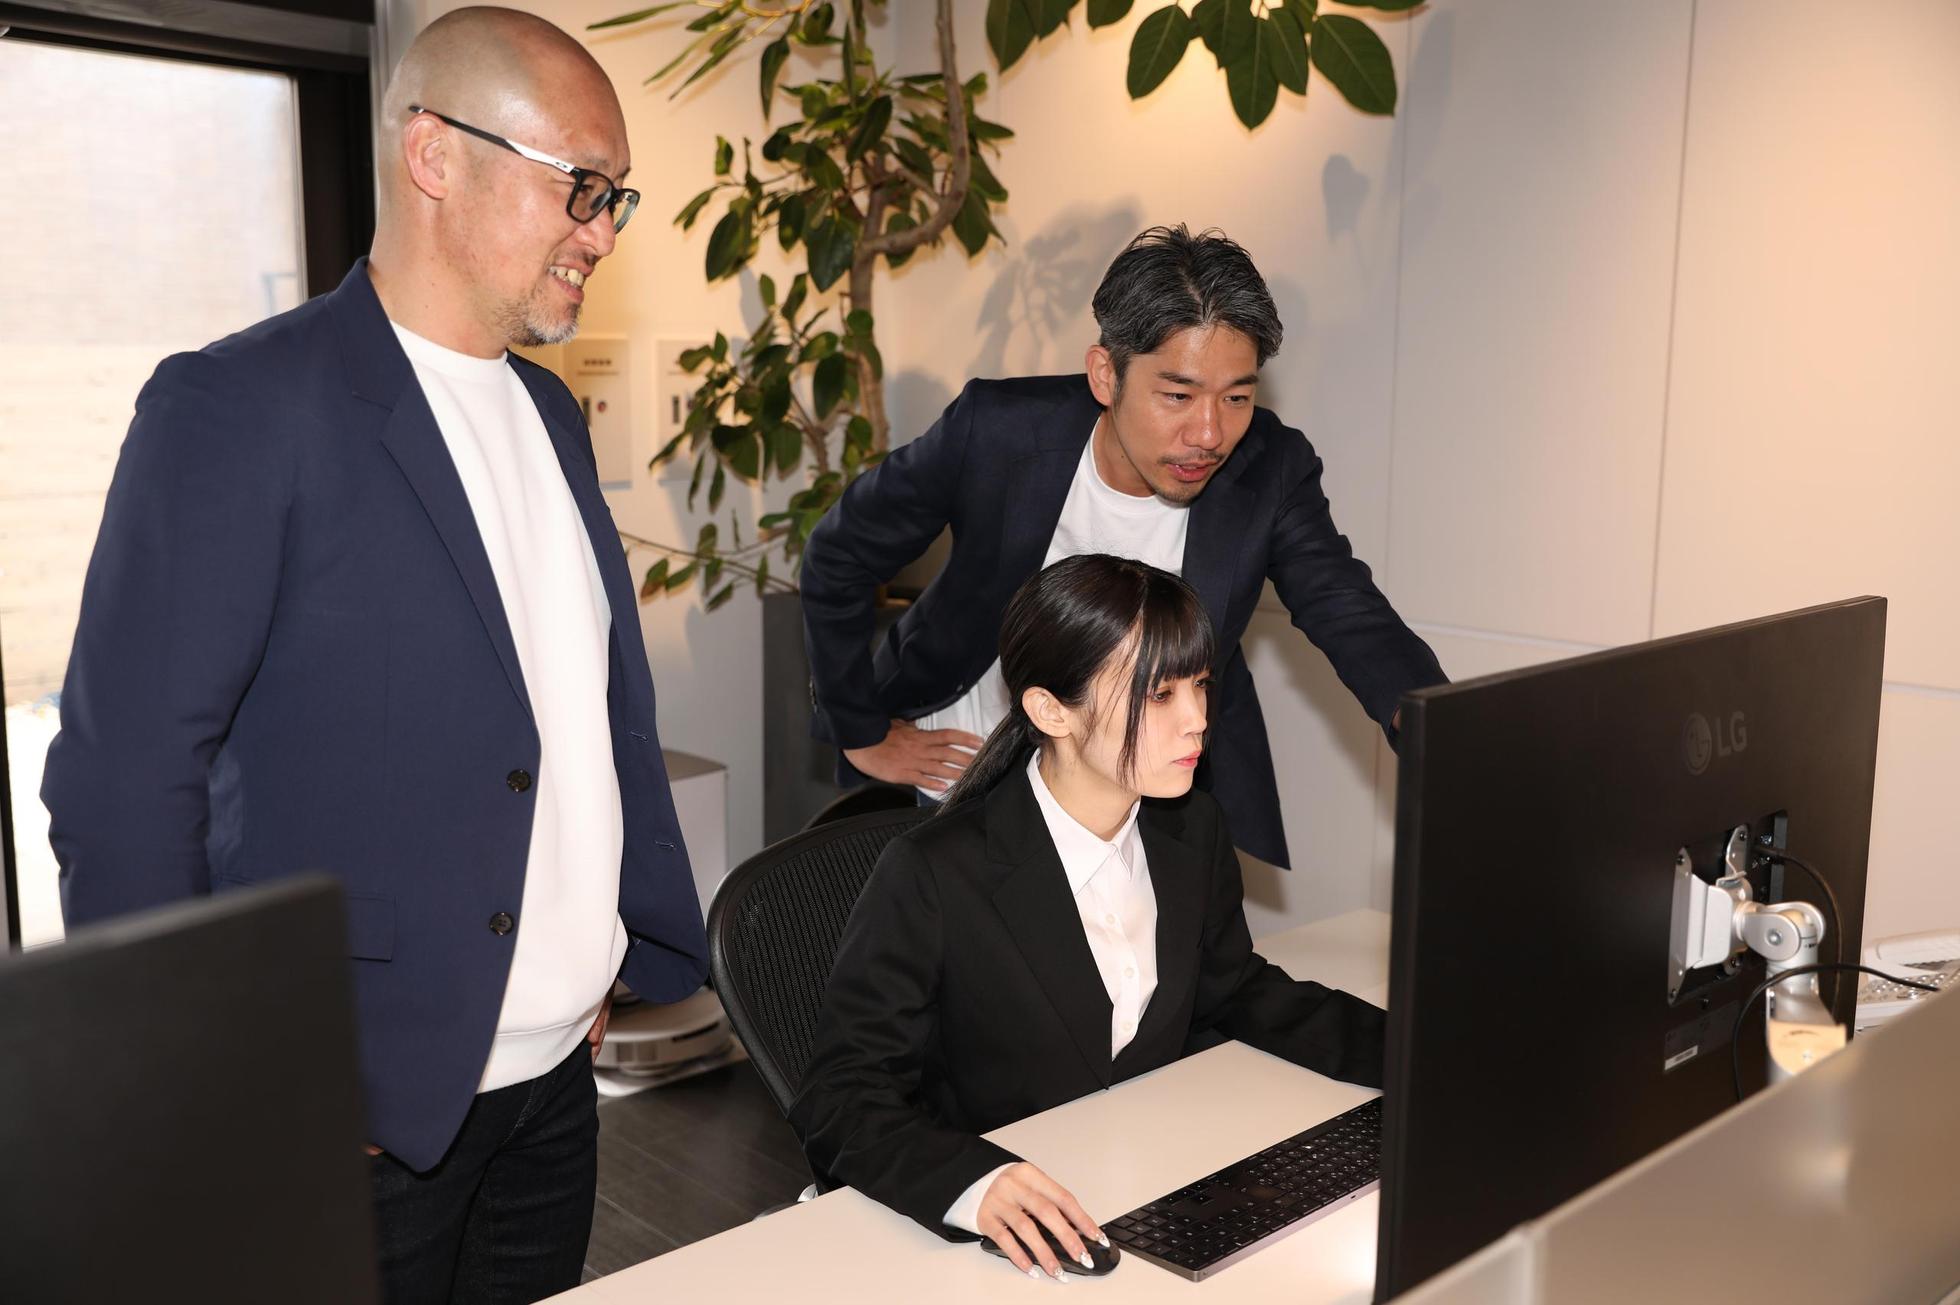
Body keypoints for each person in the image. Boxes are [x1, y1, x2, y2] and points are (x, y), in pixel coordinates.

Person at [40, 8, 708, 1301]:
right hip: (354, 1102)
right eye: (580, 187)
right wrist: (225, 1083)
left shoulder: (551, 415)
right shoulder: (239, 407)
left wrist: (596, 952)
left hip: (557, 1084)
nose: (602, 231)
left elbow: (568, 721)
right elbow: (124, 784)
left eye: (615, 197)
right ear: (433, 155)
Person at [790, 554, 1384, 1281]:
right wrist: (974, 1184)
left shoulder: (1191, 829)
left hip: (1141, 1193)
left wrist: (1418, 1055)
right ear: (1050, 711)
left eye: (1200, 684)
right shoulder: (936, 872)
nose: (1198, 719)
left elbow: (1236, 989)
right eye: (1160, 694)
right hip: (992, 1249)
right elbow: (841, 1095)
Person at [800, 225, 1446, 870]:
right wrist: (861, 730)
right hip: (967, 770)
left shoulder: (1270, 468)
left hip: (1149, 790)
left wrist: (1440, 732)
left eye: (1237, 397)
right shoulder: (998, 431)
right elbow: (839, 555)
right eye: (1178, 395)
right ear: (1106, 375)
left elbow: (1346, 607)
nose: (1209, 433)